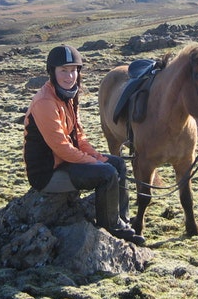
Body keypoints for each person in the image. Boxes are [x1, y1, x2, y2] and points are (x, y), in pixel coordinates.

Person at [23, 45, 144, 245]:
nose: (69, 76)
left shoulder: (69, 96)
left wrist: (97, 157)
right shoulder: (45, 102)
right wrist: (94, 163)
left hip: (66, 162)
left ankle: (122, 221)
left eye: (73, 70)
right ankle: (111, 228)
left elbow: (78, 137)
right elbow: (61, 147)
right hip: (48, 172)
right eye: (63, 70)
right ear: (52, 72)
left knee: (118, 164)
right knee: (106, 174)